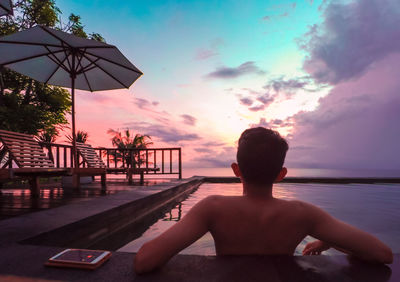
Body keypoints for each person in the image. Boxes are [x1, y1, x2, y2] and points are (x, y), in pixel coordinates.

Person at [134, 127, 393, 274]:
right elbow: (381, 254)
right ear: (281, 174)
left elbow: (145, 261)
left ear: (237, 170)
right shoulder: (304, 213)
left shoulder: (212, 208)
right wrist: (328, 241)